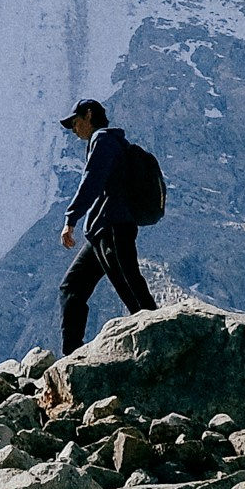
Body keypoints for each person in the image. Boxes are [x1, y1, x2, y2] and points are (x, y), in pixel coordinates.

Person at [57, 97, 156, 352]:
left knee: (130, 286)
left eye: (75, 122)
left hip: (113, 228)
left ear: (89, 115)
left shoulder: (103, 140)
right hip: (102, 230)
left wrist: (71, 219)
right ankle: (72, 354)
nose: (74, 129)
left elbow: (92, 181)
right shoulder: (114, 142)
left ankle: (159, 336)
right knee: (72, 286)